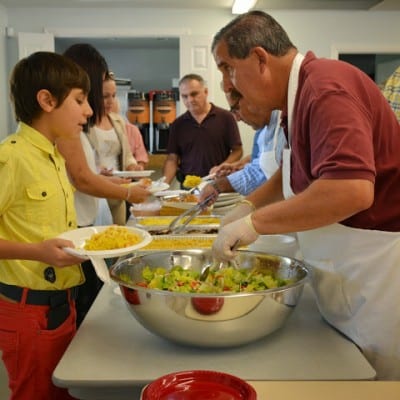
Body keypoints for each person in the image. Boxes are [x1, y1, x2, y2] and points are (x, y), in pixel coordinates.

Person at [211, 10, 400, 380]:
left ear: (260, 59)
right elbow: (295, 164)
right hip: (345, 271)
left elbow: (350, 190)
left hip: (377, 279)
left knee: (378, 379)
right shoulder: (296, 98)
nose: (226, 84)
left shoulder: (326, 87)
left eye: (227, 68)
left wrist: (255, 223)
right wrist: (249, 204)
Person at [0, 51, 91, 400]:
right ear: (47, 100)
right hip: (27, 310)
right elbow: (38, 246)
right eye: (79, 100)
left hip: (60, 304)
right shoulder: (12, 157)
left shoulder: (52, 156)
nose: (88, 111)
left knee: (60, 391)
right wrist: (37, 252)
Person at [61, 43, 150, 327]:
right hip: (76, 227)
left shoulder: (79, 125)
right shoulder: (64, 127)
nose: (89, 108)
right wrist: (128, 191)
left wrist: (121, 182)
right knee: (85, 305)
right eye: (84, 97)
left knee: (91, 298)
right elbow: (83, 178)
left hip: (88, 221)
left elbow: (87, 174)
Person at [200, 88, 282, 201]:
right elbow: (259, 165)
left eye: (236, 109)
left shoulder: (285, 122)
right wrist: (238, 165)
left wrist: (219, 185)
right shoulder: (263, 130)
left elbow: (264, 175)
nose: (237, 118)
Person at [162, 73, 243, 187]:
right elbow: (172, 159)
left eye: (194, 94)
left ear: (206, 92)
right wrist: (163, 186)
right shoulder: (178, 124)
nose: (190, 100)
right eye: (184, 96)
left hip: (218, 182)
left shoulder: (226, 117)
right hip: (188, 186)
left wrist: (222, 167)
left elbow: (237, 150)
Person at [88, 71, 143, 225]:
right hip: (95, 193)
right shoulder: (83, 124)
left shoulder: (118, 121)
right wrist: (97, 169)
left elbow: (126, 154)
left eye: (113, 95)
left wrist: (132, 166)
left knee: (118, 236)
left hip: (118, 192)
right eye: (105, 96)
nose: (110, 101)